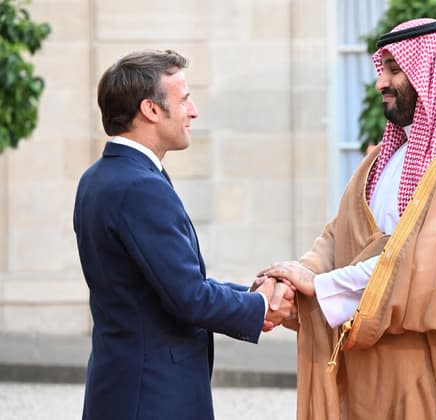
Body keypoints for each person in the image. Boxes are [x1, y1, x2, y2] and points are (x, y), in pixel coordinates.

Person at [260, 18, 436, 419]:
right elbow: (338, 237)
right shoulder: (379, 160)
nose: (381, 82)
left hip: (432, 376)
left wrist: (321, 285)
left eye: (394, 69)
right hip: (370, 377)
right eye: (382, 69)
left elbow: (432, 265)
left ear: (432, 72)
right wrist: (292, 277)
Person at [73, 49, 292, 420]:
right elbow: (188, 297)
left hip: (121, 386)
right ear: (151, 110)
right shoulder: (141, 186)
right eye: (185, 99)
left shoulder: (99, 177)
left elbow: (162, 284)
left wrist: (249, 292)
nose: (194, 111)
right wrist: (261, 307)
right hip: (154, 395)